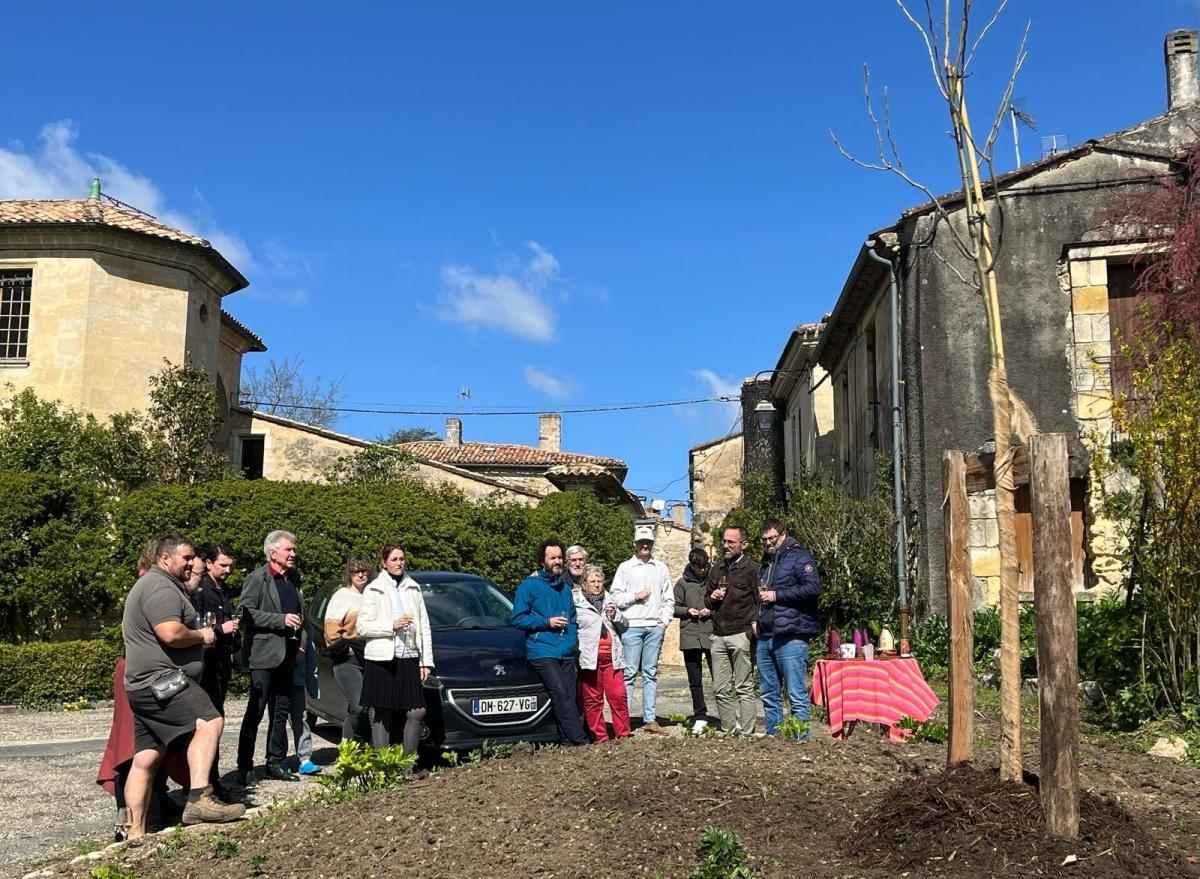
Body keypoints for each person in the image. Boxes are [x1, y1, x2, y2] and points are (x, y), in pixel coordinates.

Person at [121, 534, 244, 837]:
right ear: (165, 559)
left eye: (193, 558)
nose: (193, 563)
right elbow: (170, 633)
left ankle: (134, 832)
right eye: (186, 558)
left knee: (147, 756)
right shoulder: (160, 587)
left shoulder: (154, 584)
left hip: (142, 686)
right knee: (210, 720)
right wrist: (203, 635)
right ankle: (200, 798)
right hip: (163, 680)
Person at [97, 539, 188, 839]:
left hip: (141, 673)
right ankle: (129, 824)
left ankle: (153, 808)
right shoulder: (152, 589)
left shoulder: (156, 587)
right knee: (131, 750)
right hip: (139, 675)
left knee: (148, 748)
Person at [236, 530, 305, 785]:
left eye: (293, 549)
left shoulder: (294, 579)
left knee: (280, 712)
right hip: (264, 655)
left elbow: (301, 614)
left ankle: (275, 761)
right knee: (256, 711)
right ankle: (244, 765)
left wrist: (302, 646)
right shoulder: (257, 579)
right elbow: (246, 613)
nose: (293, 554)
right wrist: (280, 620)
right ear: (272, 552)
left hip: (288, 654)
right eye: (288, 549)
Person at [357, 544, 434, 753]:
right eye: (394, 559)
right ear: (383, 562)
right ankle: (386, 767)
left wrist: (426, 660)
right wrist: (391, 625)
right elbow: (362, 627)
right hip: (382, 658)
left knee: (417, 711)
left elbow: (424, 625)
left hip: (409, 655)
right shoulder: (373, 589)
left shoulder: (413, 587)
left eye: (401, 559)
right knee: (383, 712)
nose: (399, 563)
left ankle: (407, 764)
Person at [511, 540, 590, 746]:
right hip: (542, 649)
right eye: (552, 558)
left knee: (570, 696)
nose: (557, 561)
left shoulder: (564, 588)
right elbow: (518, 618)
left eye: (559, 557)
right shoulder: (529, 586)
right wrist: (547, 623)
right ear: (542, 560)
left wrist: (571, 641)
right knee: (561, 693)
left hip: (565, 650)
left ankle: (566, 742)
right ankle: (581, 740)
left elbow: (572, 619)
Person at [756, 520, 821, 738]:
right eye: (764, 540)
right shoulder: (766, 562)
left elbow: (813, 588)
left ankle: (800, 739)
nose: (767, 543)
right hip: (765, 634)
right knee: (768, 693)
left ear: (783, 535)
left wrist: (777, 596)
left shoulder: (800, 557)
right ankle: (775, 739)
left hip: (791, 634)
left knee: (795, 693)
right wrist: (754, 620)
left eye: (772, 538)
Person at [609, 523, 673, 734]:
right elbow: (615, 597)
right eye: (641, 542)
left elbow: (668, 598)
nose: (645, 545)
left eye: (648, 542)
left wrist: (662, 623)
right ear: (635, 544)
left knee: (650, 673)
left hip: (654, 626)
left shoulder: (661, 567)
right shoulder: (625, 568)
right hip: (631, 627)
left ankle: (650, 718)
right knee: (628, 674)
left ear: (652, 544)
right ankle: (623, 720)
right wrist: (635, 596)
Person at [191, 543, 240, 796]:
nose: (228, 570)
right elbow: (200, 628)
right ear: (209, 564)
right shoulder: (201, 591)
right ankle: (207, 780)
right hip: (207, 665)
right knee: (210, 720)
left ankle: (213, 777)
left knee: (218, 717)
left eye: (230, 565)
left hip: (222, 662)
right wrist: (223, 629)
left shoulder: (224, 589)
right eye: (223, 565)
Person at [704, 526, 760, 736]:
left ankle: (746, 733)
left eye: (731, 542)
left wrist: (752, 628)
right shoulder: (717, 568)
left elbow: (759, 601)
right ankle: (728, 731)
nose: (725, 546)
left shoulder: (753, 568)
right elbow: (706, 600)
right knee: (720, 689)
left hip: (741, 634)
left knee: (744, 687)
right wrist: (713, 598)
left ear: (743, 545)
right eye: (724, 541)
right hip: (718, 635)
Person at [573, 564, 630, 741]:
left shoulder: (610, 599)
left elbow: (625, 626)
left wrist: (616, 616)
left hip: (612, 656)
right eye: (592, 581)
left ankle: (623, 734)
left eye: (599, 581)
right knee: (592, 699)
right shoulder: (576, 602)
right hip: (590, 657)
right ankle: (600, 737)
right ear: (584, 583)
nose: (597, 585)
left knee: (618, 696)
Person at [324, 556, 373, 744]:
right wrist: (346, 649)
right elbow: (331, 632)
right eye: (355, 572)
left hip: (370, 656)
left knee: (359, 707)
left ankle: (349, 748)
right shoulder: (341, 596)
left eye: (363, 571)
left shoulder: (372, 595)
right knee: (359, 705)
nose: (360, 575)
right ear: (349, 574)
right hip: (348, 659)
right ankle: (358, 742)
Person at [674, 547, 714, 734]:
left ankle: (727, 714)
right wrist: (687, 611)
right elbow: (673, 607)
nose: (702, 570)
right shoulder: (682, 583)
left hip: (710, 633)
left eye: (705, 566)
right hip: (690, 635)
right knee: (695, 679)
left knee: (720, 677)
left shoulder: (713, 580)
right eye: (699, 567)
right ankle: (700, 714)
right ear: (692, 565)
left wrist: (711, 611)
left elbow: (723, 604)